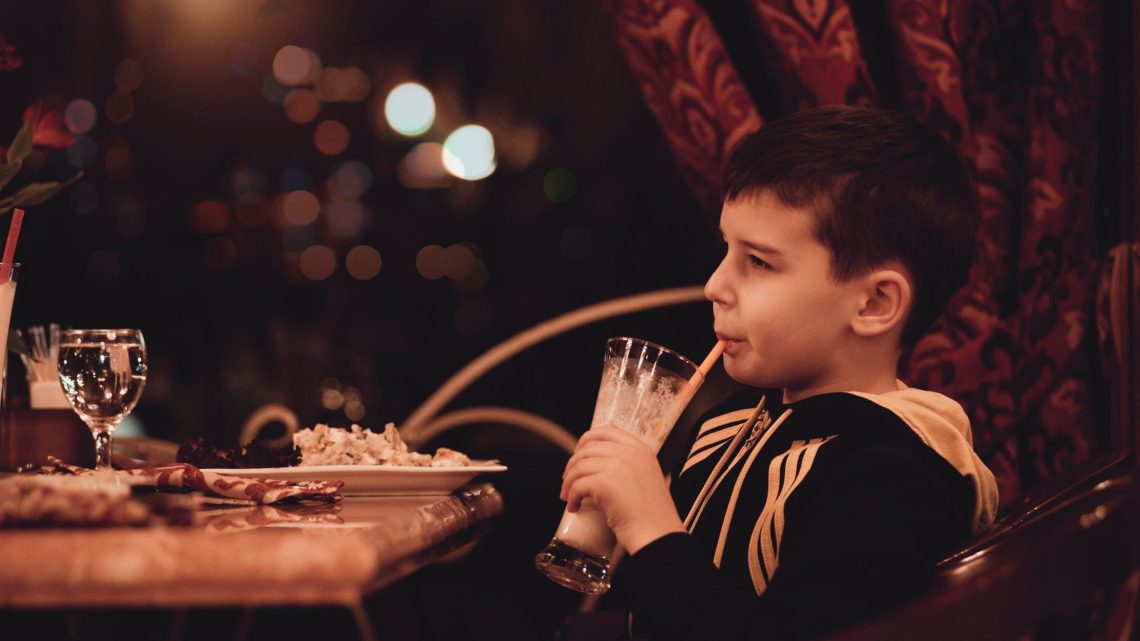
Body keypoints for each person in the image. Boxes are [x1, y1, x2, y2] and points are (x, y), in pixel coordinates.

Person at [558, 105, 1000, 640]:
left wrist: (651, 527)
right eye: (727, 250)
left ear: (875, 304)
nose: (715, 286)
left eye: (759, 262)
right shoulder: (733, 423)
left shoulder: (894, 471)